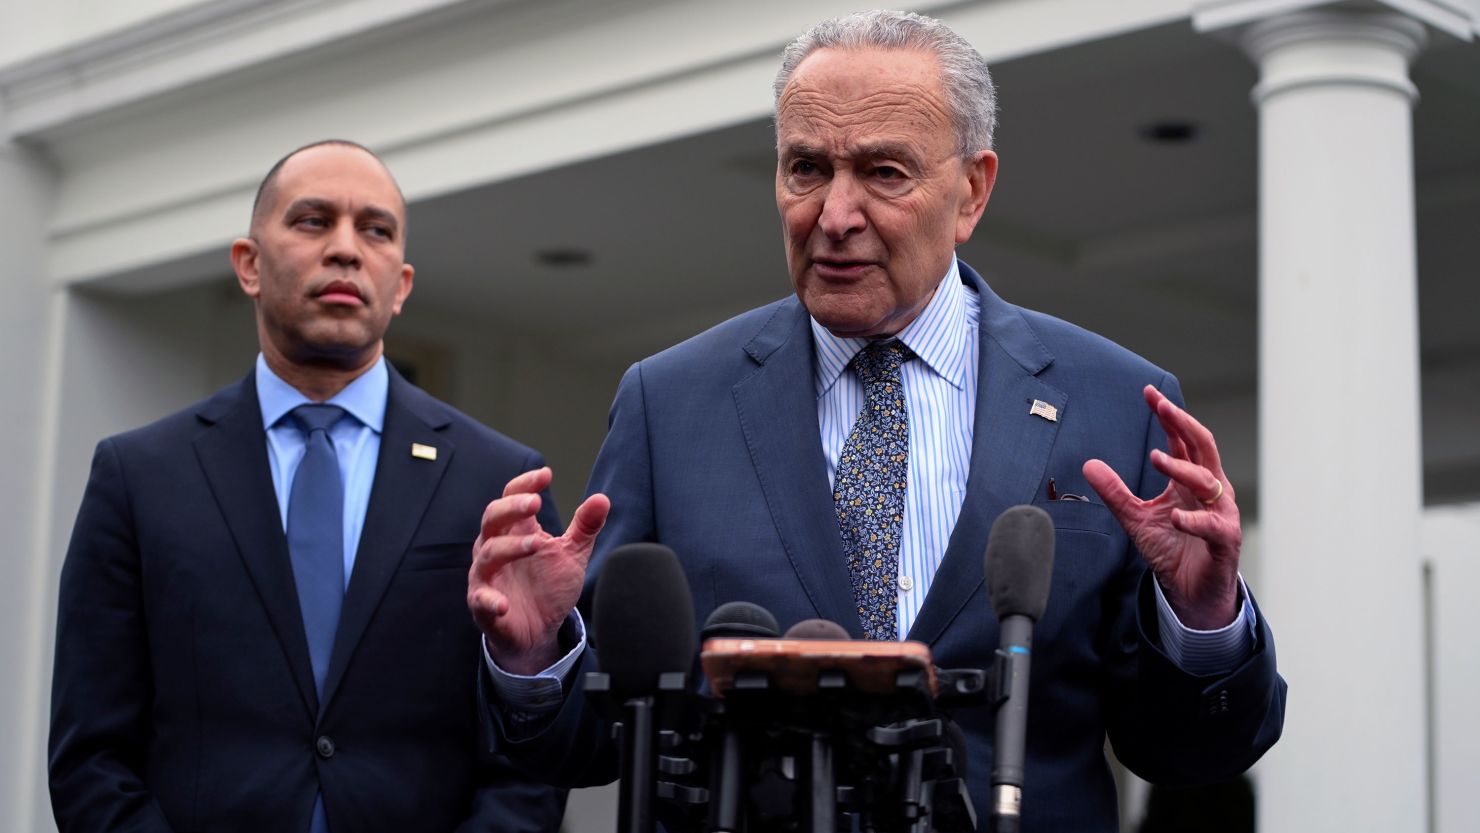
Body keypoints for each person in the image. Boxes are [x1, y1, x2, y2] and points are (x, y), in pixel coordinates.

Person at [469, 11, 1285, 832]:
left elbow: (1187, 753)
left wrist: (1204, 619)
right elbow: (594, 738)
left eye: (883, 172)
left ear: (972, 189)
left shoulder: (1114, 402)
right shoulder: (669, 402)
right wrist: (536, 657)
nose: (834, 214)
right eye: (807, 168)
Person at [49, 140, 569, 833]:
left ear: (403, 282)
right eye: (313, 220)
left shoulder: (496, 481)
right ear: (249, 264)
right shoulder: (139, 476)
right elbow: (91, 755)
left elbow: (531, 769)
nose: (347, 249)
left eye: (375, 230)